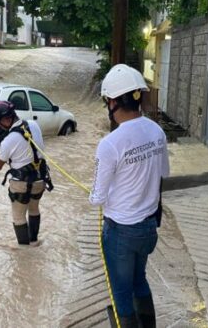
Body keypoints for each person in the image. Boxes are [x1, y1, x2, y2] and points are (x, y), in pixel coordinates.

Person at [90, 64, 170, 328]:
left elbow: (97, 197)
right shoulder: (157, 131)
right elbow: (163, 174)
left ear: (112, 102)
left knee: (121, 293)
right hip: (148, 227)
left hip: (121, 231)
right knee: (139, 281)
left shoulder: (110, 143)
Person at [0, 101, 53, 246]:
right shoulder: (33, 125)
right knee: (34, 209)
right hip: (40, 180)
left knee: (18, 216)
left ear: (6, 119)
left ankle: (24, 251)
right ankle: (34, 241)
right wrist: (2, 155)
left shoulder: (8, 141)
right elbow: (28, 149)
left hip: (20, 184)